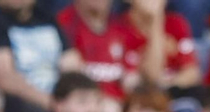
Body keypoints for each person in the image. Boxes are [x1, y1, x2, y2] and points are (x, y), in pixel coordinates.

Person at [59, 0, 200, 98]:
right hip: (103, 102)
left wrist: (156, 20)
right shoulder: (123, 26)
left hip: (136, 99)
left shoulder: (177, 23)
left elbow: (193, 73)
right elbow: (152, 76)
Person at [0, 0, 75, 112]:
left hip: (60, 100)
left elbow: (72, 66)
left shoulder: (44, 15)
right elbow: (6, 79)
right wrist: (54, 105)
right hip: (22, 105)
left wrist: (77, 100)